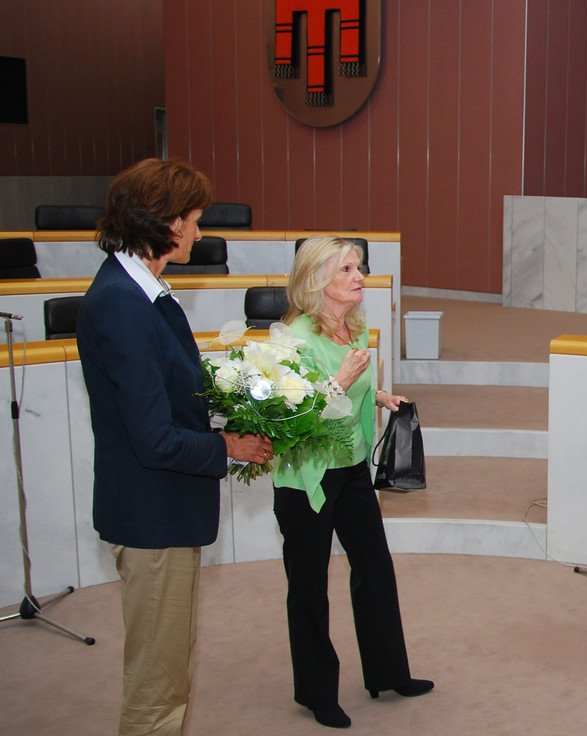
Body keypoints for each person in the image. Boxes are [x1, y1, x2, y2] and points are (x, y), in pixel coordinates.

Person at [77, 158, 274, 736]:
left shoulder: (145, 291)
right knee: (157, 689)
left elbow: (167, 393)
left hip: (163, 511)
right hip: (151, 517)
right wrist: (229, 446)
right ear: (166, 222)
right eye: (194, 218)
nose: (198, 231)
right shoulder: (121, 301)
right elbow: (153, 439)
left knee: (167, 673)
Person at [272, 234, 432, 729]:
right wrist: (340, 381)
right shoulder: (292, 339)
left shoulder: (354, 327)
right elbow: (289, 418)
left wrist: (377, 395)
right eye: (345, 269)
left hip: (353, 466)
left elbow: (354, 382)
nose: (359, 276)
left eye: (358, 267)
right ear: (315, 279)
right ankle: (317, 693)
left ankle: (389, 673)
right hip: (307, 479)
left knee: (376, 570)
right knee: (309, 588)